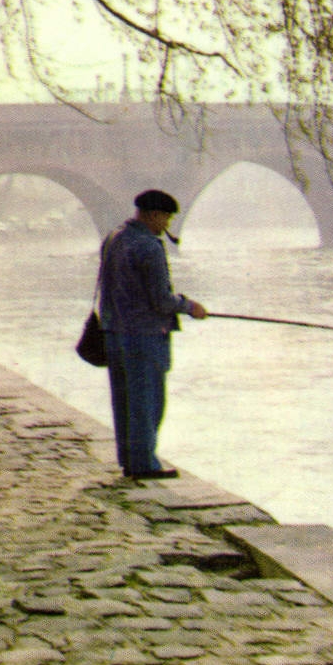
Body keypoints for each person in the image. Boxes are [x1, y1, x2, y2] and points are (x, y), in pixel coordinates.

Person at [97, 189, 208, 479]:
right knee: (147, 403)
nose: (168, 225)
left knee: (123, 401)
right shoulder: (149, 247)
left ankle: (129, 459)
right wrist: (189, 306)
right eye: (167, 218)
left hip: (114, 332)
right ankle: (145, 463)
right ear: (153, 215)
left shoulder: (113, 238)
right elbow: (160, 299)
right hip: (145, 337)